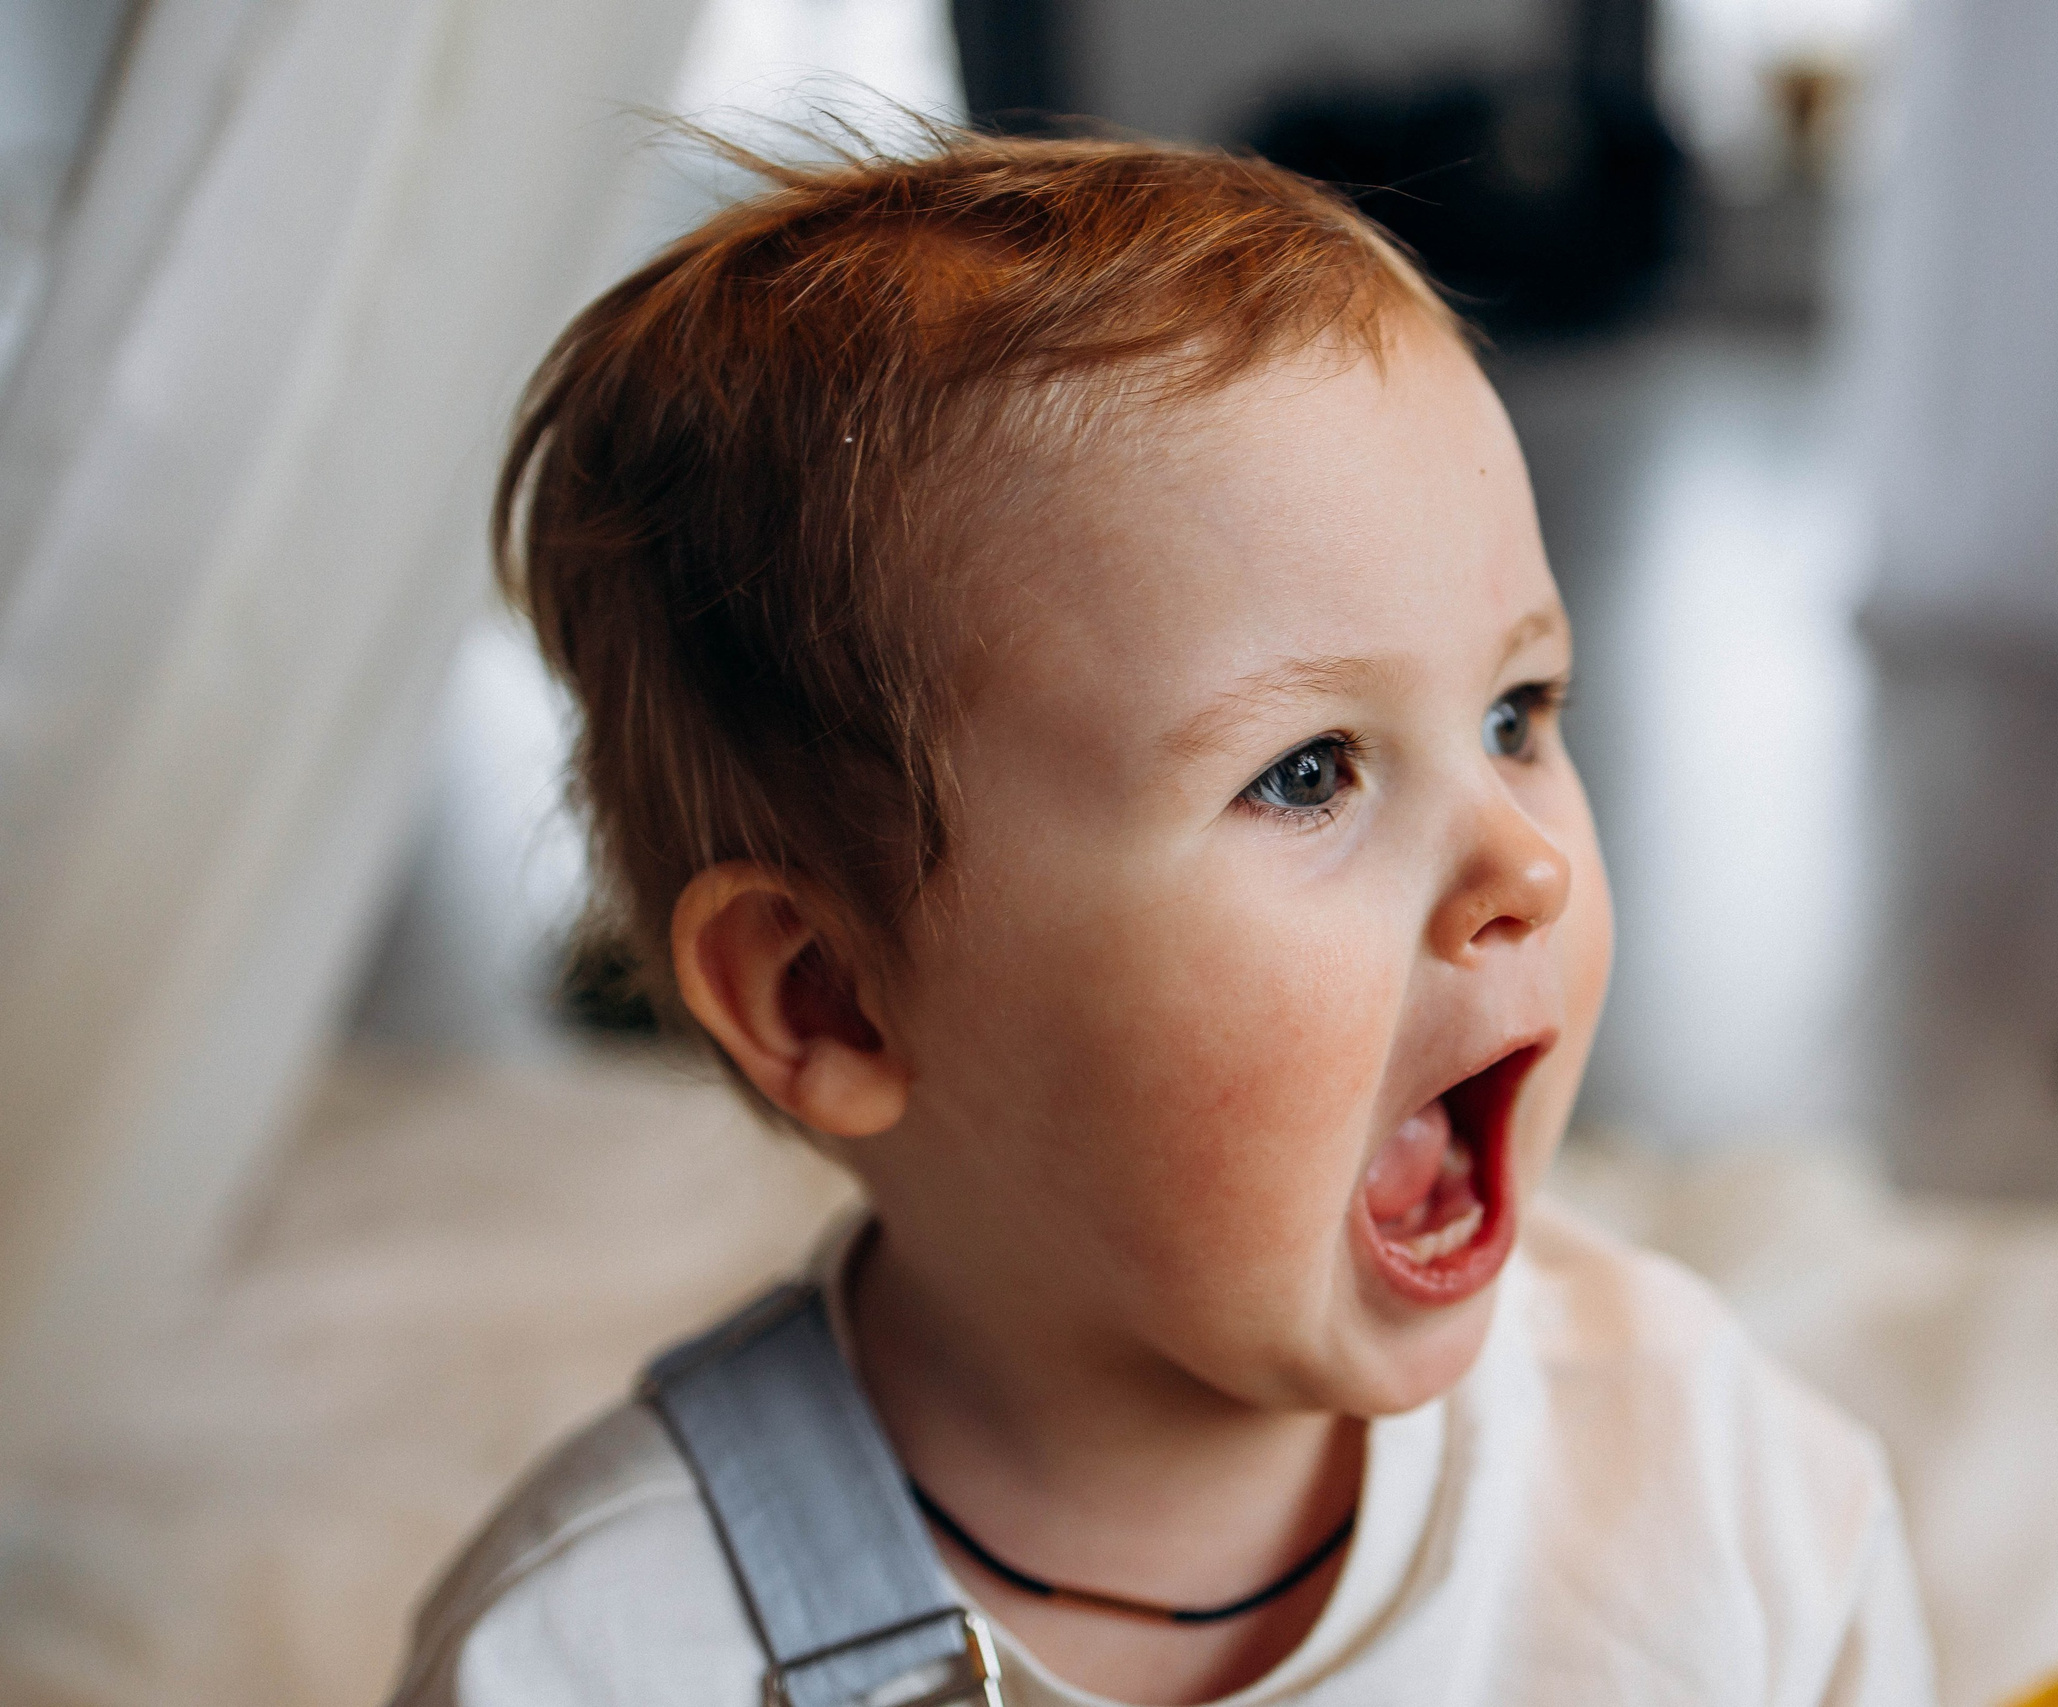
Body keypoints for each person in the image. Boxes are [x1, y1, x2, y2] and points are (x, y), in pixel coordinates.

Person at [385, 125, 1936, 1707]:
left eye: (1517, 713)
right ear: (831, 998)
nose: (1522, 865)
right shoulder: (593, 1657)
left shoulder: (1714, 1501)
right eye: (1310, 773)